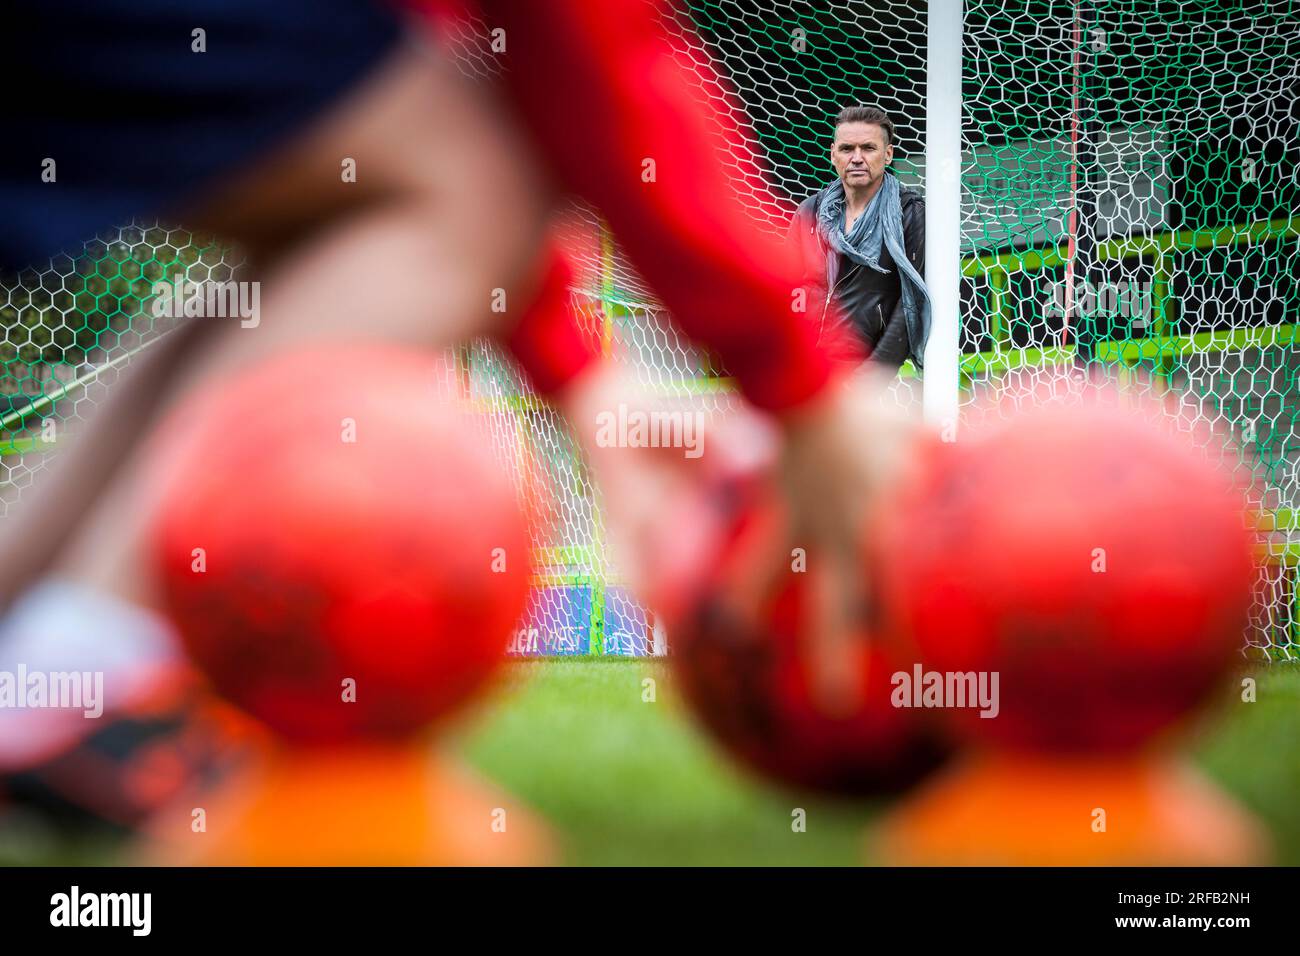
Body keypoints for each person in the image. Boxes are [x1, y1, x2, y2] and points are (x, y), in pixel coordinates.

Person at [789, 106, 930, 371]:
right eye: (846, 149)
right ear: (833, 154)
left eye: (868, 148)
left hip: (866, 373)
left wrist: (873, 378)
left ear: (888, 154)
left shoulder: (909, 213)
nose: (856, 158)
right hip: (804, 366)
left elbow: (909, 302)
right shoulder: (809, 211)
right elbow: (788, 286)